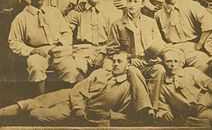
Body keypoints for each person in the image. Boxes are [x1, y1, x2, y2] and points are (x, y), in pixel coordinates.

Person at [0, 51, 135, 124]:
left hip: (74, 110)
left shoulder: (126, 87)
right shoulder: (100, 73)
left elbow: (116, 111)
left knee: (36, 114)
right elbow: (78, 89)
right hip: (68, 96)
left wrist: (80, 110)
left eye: (120, 61)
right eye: (114, 61)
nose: (115, 64)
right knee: (30, 103)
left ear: (128, 65)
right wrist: (78, 106)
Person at [8, 0, 85, 95]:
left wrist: (60, 44)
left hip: (57, 51)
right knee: (35, 67)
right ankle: (40, 99)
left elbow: (67, 32)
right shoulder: (21, 18)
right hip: (37, 53)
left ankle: (69, 99)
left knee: (72, 68)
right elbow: (13, 42)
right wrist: (33, 50)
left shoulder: (54, 12)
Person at [109, 0, 166, 116]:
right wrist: (129, 58)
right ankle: (145, 109)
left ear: (141, 4)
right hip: (131, 63)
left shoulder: (150, 22)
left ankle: (155, 107)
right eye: (129, 1)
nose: (132, 5)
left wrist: (152, 56)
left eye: (136, 2)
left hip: (147, 61)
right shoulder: (117, 24)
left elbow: (159, 43)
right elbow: (112, 50)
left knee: (159, 70)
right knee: (132, 71)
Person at [155, 0, 212, 72]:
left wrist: (199, 44)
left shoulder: (191, 6)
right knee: (170, 71)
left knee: (204, 66)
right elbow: (158, 38)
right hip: (172, 49)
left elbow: (210, 22)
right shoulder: (158, 14)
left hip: (191, 47)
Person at [66, 0, 112, 72]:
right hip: (83, 50)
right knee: (76, 69)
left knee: (108, 69)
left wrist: (103, 53)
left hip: (104, 49)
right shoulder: (79, 11)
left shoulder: (110, 11)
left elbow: (115, 38)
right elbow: (64, 28)